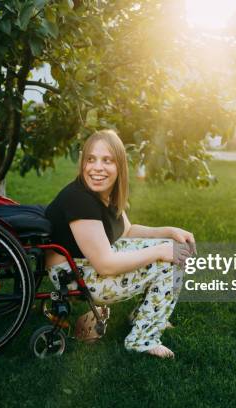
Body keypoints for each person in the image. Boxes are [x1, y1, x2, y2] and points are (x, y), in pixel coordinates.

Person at [44, 129, 195, 359]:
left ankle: (144, 316)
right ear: (83, 163)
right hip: (73, 274)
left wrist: (169, 232)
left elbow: (128, 232)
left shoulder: (107, 194)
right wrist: (160, 251)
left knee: (171, 247)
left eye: (107, 160)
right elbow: (105, 265)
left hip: (87, 263)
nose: (97, 168)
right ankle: (141, 340)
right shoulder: (79, 199)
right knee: (169, 261)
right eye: (91, 159)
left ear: (119, 166)